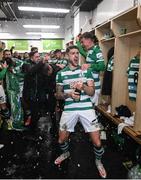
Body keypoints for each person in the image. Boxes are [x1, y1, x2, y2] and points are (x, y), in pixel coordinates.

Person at [55, 45, 107, 178]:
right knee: (61, 139)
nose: (76, 56)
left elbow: (92, 91)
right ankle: (66, 153)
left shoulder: (86, 71)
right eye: (73, 53)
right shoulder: (61, 74)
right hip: (69, 109)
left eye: (77, 53)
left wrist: (83, 86)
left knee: (97, 142)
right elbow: (58, 94)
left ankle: (98, 161)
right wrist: (69, 95)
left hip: (87, 109)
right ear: (67, 55)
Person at [76, 32, 105, 106]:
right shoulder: (90, 51)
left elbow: (102, 67)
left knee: (91, 108)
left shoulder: (97, 50)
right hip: (90, 83)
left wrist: (90, 65)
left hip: (95, 85)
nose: (82, 44)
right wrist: (77, 42)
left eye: (83, 41)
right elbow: (82, 52)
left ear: (89, 40)